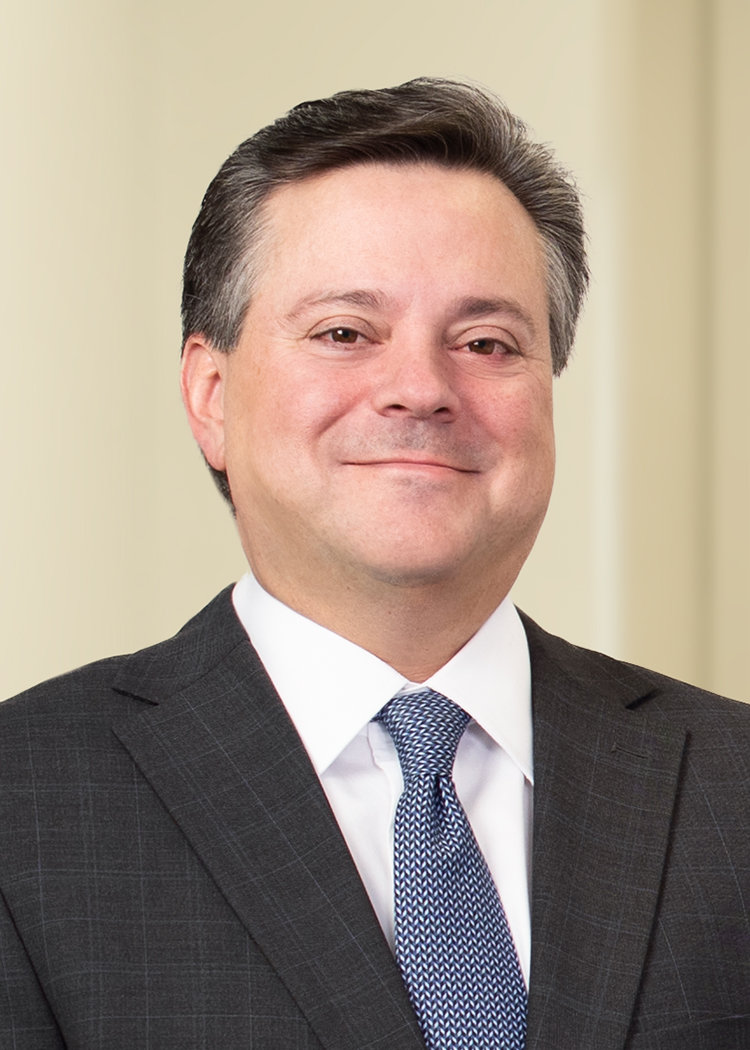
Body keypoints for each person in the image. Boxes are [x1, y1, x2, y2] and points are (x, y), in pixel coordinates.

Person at [1, 78, 749, 1050]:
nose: (420, 389)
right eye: (345, 332)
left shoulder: (732, 785)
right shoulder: (25, 801)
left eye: (486, 342)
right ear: (212, 393)